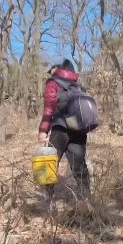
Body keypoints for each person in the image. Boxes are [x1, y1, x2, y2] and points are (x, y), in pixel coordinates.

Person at [38, 59, 91, 207]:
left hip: (60, 128)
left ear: (57, 69)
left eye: (51, 70)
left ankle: (47, 202)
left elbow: (49, 109)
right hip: (79, 131)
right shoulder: (79, 87)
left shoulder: (53, 83)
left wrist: (43, 131)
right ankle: (86, 202)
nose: (51, 73)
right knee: (80, 168)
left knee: (48, 164)